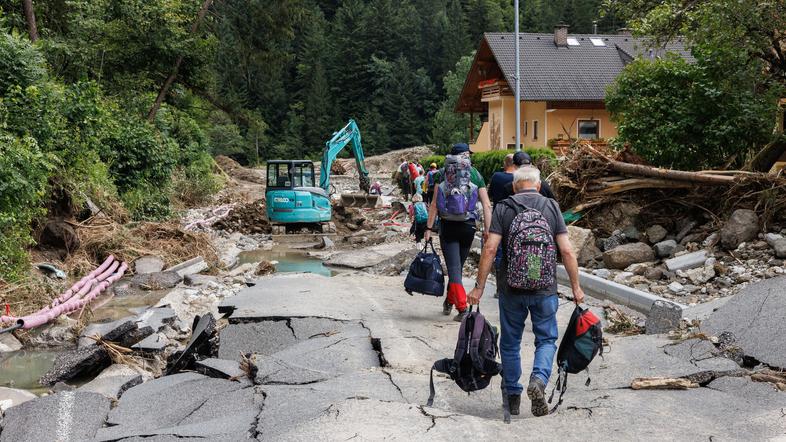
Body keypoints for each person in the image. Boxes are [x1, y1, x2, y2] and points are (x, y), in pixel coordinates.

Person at [467, 166, 585, 418]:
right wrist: (576, 286)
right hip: (544, 286)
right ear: (539, 185)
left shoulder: (504, 207)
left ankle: (513, 396)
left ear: (513, 186)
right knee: (546, 339)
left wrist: (478, 287)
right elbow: (566, 250)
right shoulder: (551, 207)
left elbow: (489, 249)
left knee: (510, 343)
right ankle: (539, 380)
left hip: (511, 287)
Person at [424, 143, 492, 322]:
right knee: (457, 268)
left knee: (454, 270)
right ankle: (449, 300)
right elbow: (486, 204)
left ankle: (462, 308)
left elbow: (433, 205)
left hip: (448, 226)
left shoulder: (441, 173)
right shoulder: (475, 174)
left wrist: (428, 229)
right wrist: (488, 230)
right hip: (468, 226)